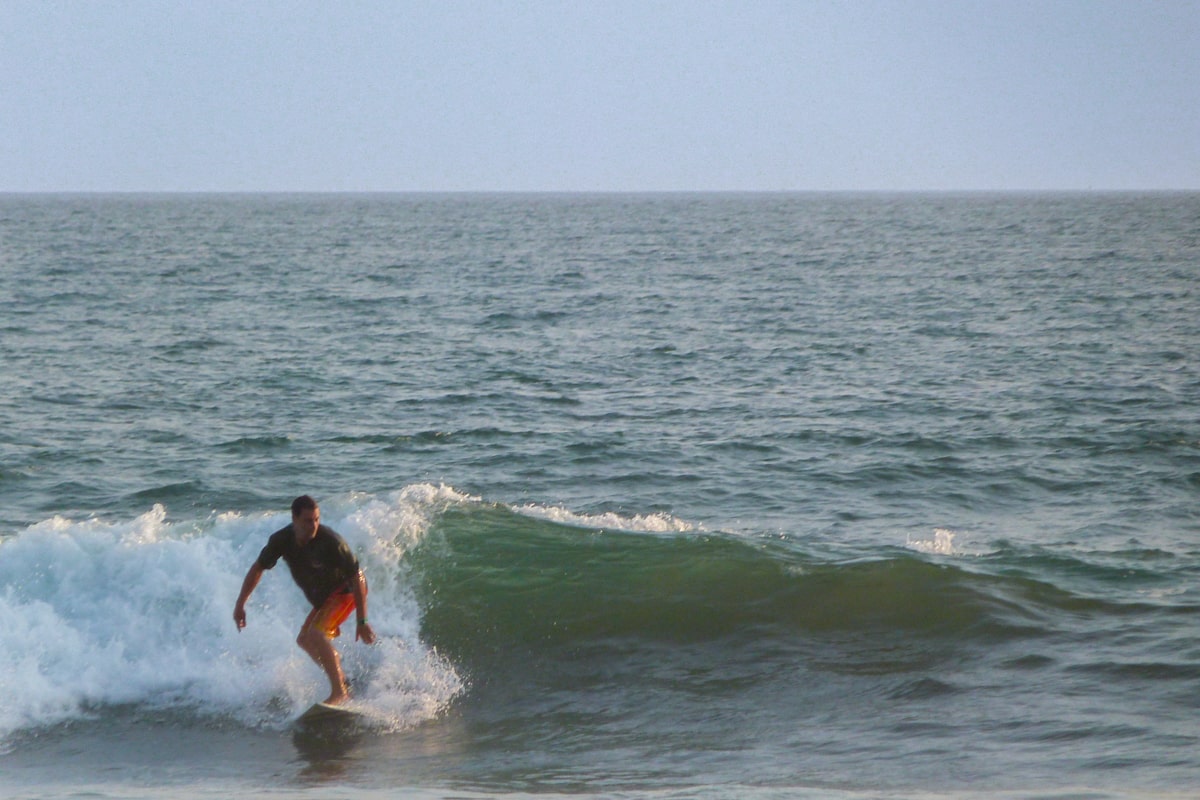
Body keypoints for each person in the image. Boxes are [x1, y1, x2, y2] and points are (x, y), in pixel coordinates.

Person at [233, 495, 376, 705]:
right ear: (294, 519)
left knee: (316, 634)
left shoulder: (331, 542)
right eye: (308, 521)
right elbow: (258, 568)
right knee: (305, 640)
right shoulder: (281, 540)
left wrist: (362, 621)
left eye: (317, 519)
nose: (314, 525)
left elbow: (357, 576)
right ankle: (343, 681)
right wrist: (240, 605)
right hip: (326, 598)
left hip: (346, 591)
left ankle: (339, 693)